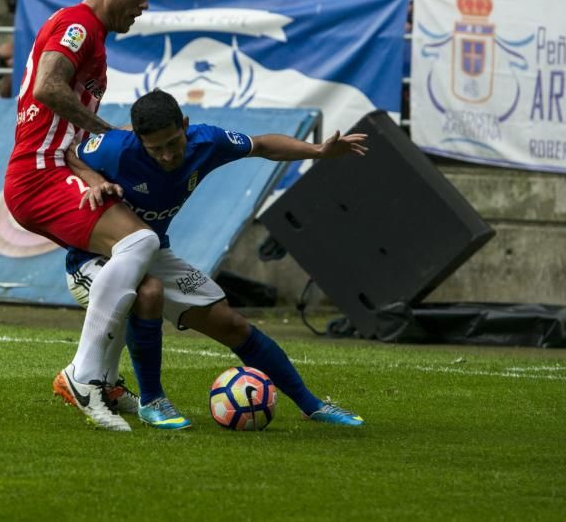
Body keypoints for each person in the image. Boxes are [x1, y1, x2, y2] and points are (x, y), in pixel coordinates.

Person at [64, 89, 368, 429]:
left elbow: (263, 145)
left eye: (173, 143)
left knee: (231, 324)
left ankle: (313, 406)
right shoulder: (116, 146)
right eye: (155, 149)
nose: (166, 156)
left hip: (154, 252)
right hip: (94, 259)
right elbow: (71, 153)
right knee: (147, 292)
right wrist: (93, 181)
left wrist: (318, 151)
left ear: (186, 125)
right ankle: (152, 400)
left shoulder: (206, 141)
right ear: (138, 139)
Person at [3, 0, 158, 431]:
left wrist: (90, 172)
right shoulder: (77, 24)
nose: (144, 5)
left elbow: (59, 125)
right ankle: (82, 374)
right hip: (37, 173)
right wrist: (107, 134)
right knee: (139, 240)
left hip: (56, 167)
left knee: (135, 275)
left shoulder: (91, 35)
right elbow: (49, 88)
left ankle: (107, 381)